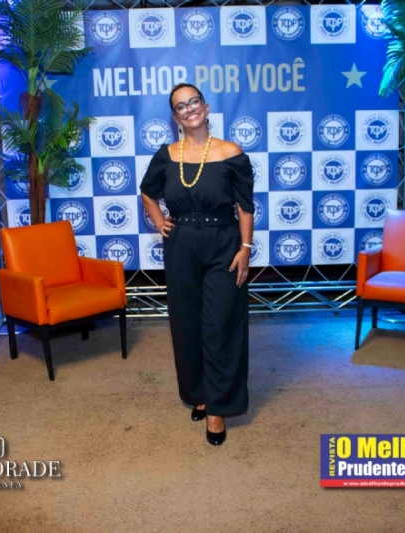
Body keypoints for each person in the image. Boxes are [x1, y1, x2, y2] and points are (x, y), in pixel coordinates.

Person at [140, 83, 254, 446]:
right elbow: (147, 191)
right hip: (181, 246)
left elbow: (245, 206)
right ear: (175, 117)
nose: (189, 109)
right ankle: (200, 394)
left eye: (194, 102)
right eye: (180, 106)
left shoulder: (231, 152)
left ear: (205, 107)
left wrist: (246, 248)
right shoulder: (166, 155)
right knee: (187, 323)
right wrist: (158, 219)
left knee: (220, 323)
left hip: (224, 244)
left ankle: (218, 408)